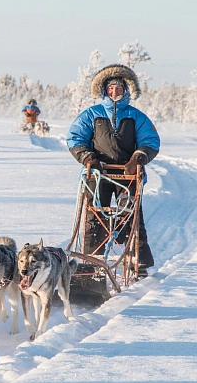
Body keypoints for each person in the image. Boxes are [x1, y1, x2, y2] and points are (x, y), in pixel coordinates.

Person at [66, 64, 160, 277]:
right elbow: (75, 138)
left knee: (130, 213)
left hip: (127, 174)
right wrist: (88, 157)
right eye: (111, 89)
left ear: (126, 91)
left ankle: (138, 260)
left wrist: (139, 157)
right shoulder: (92, 114)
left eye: (119, 89)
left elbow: (150, 140)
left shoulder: (136, 116)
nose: (115, 92)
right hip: (97, 173)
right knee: (94, 214)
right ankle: (90, 263)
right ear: (104, 91)